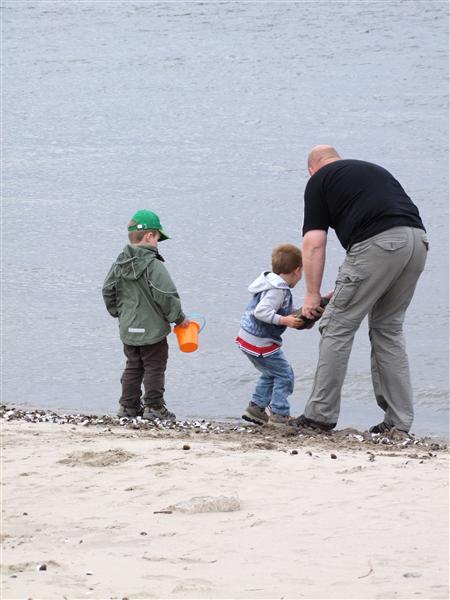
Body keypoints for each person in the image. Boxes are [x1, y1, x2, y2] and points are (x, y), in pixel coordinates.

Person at [296, 145, 428, 434]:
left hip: (378, 244)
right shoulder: (372, 170)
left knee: (336, 326)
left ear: (311, 170)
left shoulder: (320, 179)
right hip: (417, 242)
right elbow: (382, 237)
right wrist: (339, 291)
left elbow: (314, 243)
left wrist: (311, 295)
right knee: (388, 329)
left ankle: (319, 416)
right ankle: (398, 422)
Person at [102, 209, 189, 420]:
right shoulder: (153, 265)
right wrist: (179, 318)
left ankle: (128, 407)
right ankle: (154, 407)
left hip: (128, 328)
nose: (158, 243)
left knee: (133, 366)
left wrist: (119, 313)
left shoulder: (119, 263)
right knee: (154, 367)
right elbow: (165, 294)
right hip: (152, 331)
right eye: (158, 238)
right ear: (149, 236)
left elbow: (108, 289)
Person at [236, 244, 305, 427]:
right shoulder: (278, 289)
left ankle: (256, 408)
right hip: (260, 342)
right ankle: (279, 413)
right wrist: (284, 320)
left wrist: (298, 315)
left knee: (271, 372)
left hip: (247, 338)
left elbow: (281, 309)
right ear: (297, 271)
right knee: (285, 374)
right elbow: (261, 311)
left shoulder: (271, 284)